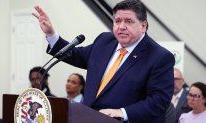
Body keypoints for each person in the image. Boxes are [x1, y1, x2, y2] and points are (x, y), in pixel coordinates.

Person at [33, 0, 175, 122]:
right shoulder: (105, 41)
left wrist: (122, 112)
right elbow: (76, 55)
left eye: (129, 21)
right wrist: (51, 34)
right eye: (117, 21)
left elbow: (159, 101)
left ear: (143, 25)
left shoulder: (160, 57)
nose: (122, 26)